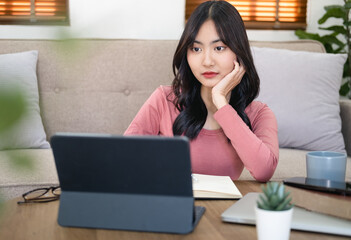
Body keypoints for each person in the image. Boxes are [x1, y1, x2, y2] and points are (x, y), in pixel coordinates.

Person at [124, 0, 279, 182]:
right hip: (172, 205)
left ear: (239, 52)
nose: (206, 61)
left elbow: (264, 171)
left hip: (225, 209)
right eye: (196, 48)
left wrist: (221, 102)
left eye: (219, 48)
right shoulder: (164, 100)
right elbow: (124, 157)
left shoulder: (259, 113)